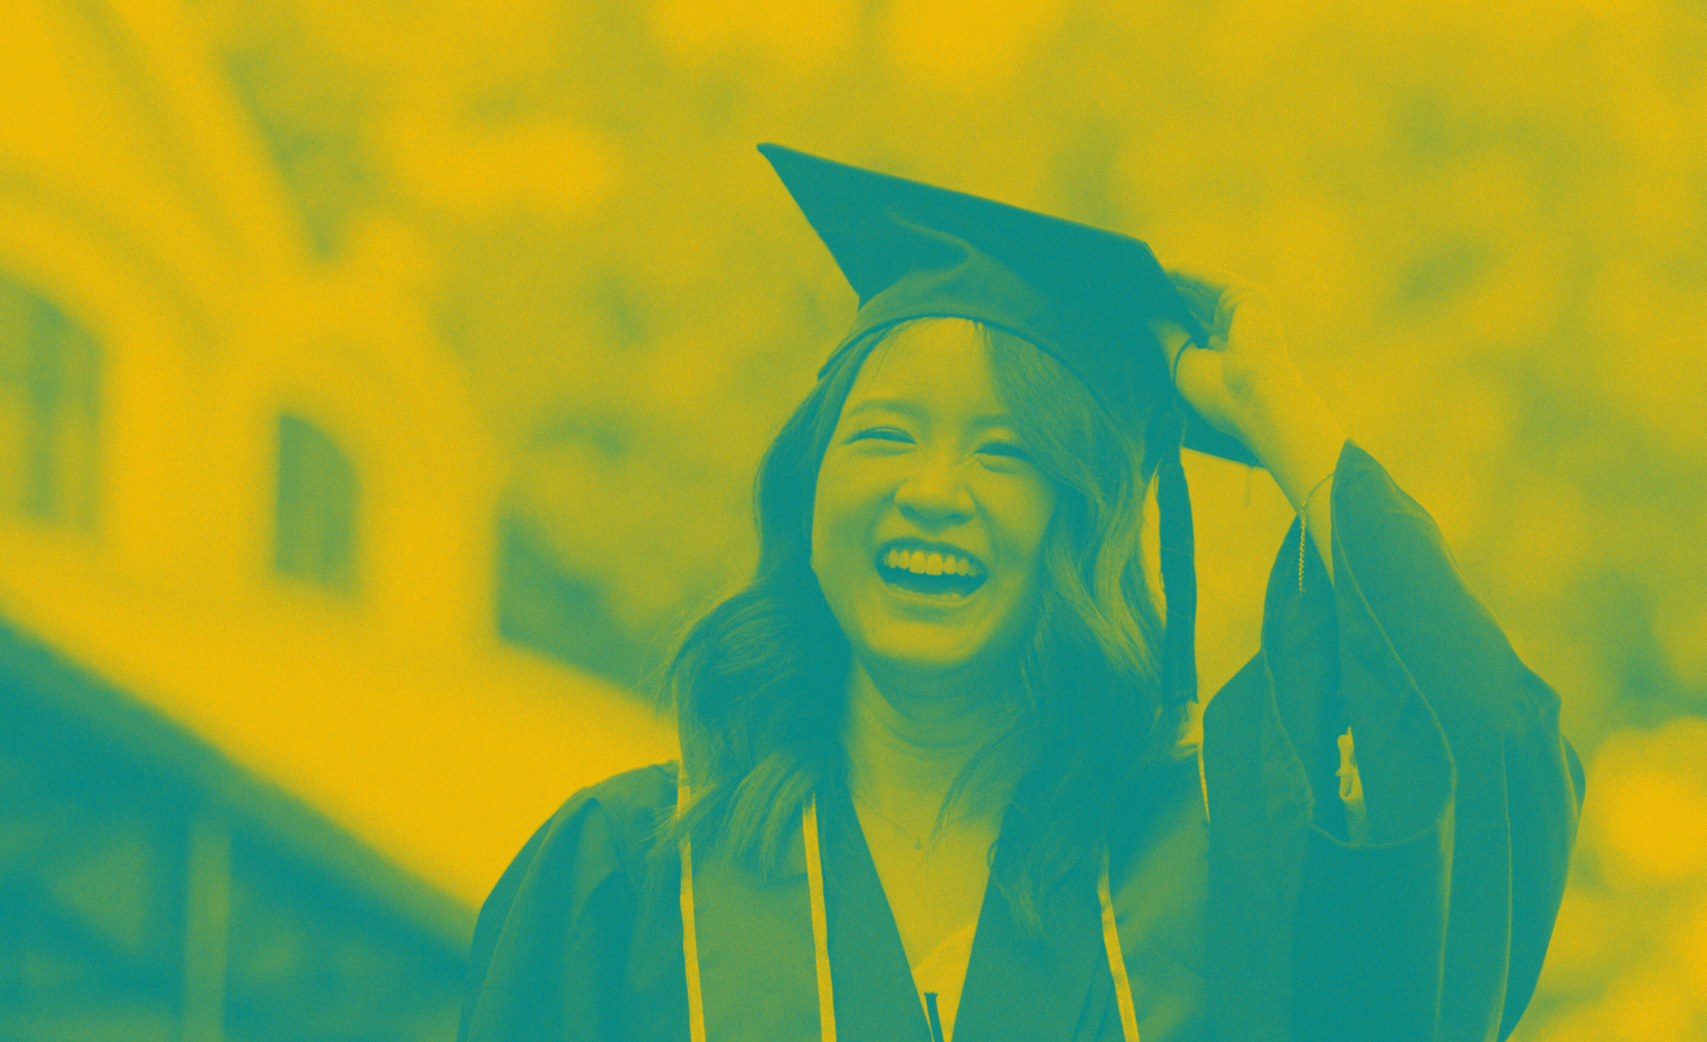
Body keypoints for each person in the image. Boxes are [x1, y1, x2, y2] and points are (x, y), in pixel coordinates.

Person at [456, 144, 1585, 1042]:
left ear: (1082, 528)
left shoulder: (1211, 866)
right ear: (808, 495)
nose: (933, 492)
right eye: (884, 437)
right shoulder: (624, 881)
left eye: (1005, 455)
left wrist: (1274, 411)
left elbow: (1477, 750)